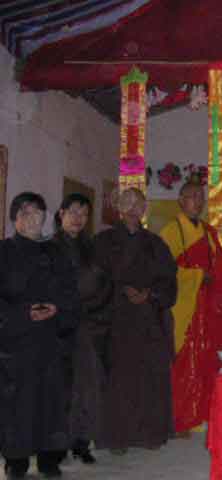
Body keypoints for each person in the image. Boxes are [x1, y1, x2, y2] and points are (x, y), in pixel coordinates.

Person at [0, 192, 77, 478]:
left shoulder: (55, 252)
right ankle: (16, 460)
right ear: (15, 217)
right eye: (28, 213)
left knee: (52, 403)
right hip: (16, 345)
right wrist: (23, 314)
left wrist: (58, 308)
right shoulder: (4, 252)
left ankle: (49, 459)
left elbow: (70, 291)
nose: (35, 219)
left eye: (39, 213)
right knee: (17, 407)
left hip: (51, 341)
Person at [94, 188, 177, 453]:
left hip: (148, 319)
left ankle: (149, 434)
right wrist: (120, 291)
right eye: (127, 203)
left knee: (151, 377)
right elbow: (94, 281)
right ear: (119, 207)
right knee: (118, 379)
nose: (133, 209)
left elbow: (169, 282)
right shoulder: (103, 241)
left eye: (138, 204)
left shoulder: (156, 244)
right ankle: (117, 438)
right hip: (115, 320)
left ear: (144, 209)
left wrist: (149, 294)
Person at [159, 182, 222, 434]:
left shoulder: (208, 232)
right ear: (180, 200)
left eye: (201, 197)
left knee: (205, 359)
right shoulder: (171, 230)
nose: (197, 202)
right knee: (183, 362)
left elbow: (219, 265)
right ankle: (180, 418)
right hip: (185, 305)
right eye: (191, 197)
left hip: (207, 306)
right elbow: (165, 270)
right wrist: (198, 276)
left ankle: (203, 414)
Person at [52, 194, 112, 465]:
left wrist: (94, 310)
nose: (78, 218)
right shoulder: (48, 248)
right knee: (60, 387)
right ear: (61, 213)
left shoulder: (93, 248)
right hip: (58, 327)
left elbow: (107, 285)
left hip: (89, 325)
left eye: (84, 214)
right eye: (73, 212)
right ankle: (57, 443)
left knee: (89, 385)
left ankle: (81, 441)